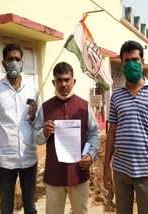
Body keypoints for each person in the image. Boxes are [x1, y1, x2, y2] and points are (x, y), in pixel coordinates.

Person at [103, 40, 148, 214]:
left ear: (142, 62)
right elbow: (111, 133)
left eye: (135, 60)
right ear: (122, 63)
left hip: (147, 171)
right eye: (127, 61)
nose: (131, 64)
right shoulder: (116, 95)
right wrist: (106, 168)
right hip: (120, 171)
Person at [33, 62, 100, 214]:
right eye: (59, 80)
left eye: (67, 79)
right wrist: (44, 132)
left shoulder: (84, 106)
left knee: (80, 211)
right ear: (53, 82)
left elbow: (94, 133)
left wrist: (90, 154)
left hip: (79, 172)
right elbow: (36, 138)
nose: (63, 84)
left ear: (73, 81)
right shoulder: (45, 108)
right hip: (54, 175)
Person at [0, 43, 38, 214]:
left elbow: (39, 124)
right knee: (6, 208)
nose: (14, 62)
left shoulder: (33, 89)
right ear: (3, 63)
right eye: (10, 59)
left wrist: (34, 116)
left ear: (22, 63)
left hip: (29, 158)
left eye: (17, 59)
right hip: (5, 161)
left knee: (30, 207)